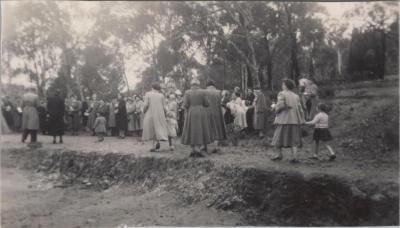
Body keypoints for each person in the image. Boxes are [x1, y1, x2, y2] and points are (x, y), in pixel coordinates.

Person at [271, 79, 305, 163]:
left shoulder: (282, 93)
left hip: (284, 120)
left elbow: (281, 105)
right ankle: (295, 157)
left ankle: (278, 155)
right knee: (294, 139)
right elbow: (300, 109)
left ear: (286, 85)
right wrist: (302, 119)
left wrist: (274, 108)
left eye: (283, 84)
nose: (282, 86)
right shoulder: (296, 96)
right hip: (294, 120)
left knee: (277, 138)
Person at [181, 79, 212, 157]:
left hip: (191, 112)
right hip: (200, 112)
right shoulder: (203, 92)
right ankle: (198, 149)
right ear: (198, 84)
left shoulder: (187, 92)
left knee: (191, 130)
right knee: (200, 129)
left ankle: (192, 150)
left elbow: (185, 105)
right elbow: (207, 104)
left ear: (191, 85)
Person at [142, 82, 169, 152]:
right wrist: (167, 113)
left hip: (151, 112)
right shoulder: (161, 95)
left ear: (152, 87)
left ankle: (154, 145)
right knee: (158, 127)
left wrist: (144, 111)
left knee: (152, 127)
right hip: (160, 113)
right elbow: (164, 107)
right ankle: (157, 142)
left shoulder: (148, 94)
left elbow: (146, 105)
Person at [204, 79, 227, 152]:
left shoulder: (204, 92)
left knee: (206, 129)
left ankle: (204, 147)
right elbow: (221, 102)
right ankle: (215, 147)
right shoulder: (218, 92)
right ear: (213, 85)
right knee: (216, 129)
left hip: (207, 113)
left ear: (207, 85)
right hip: (217, 113)